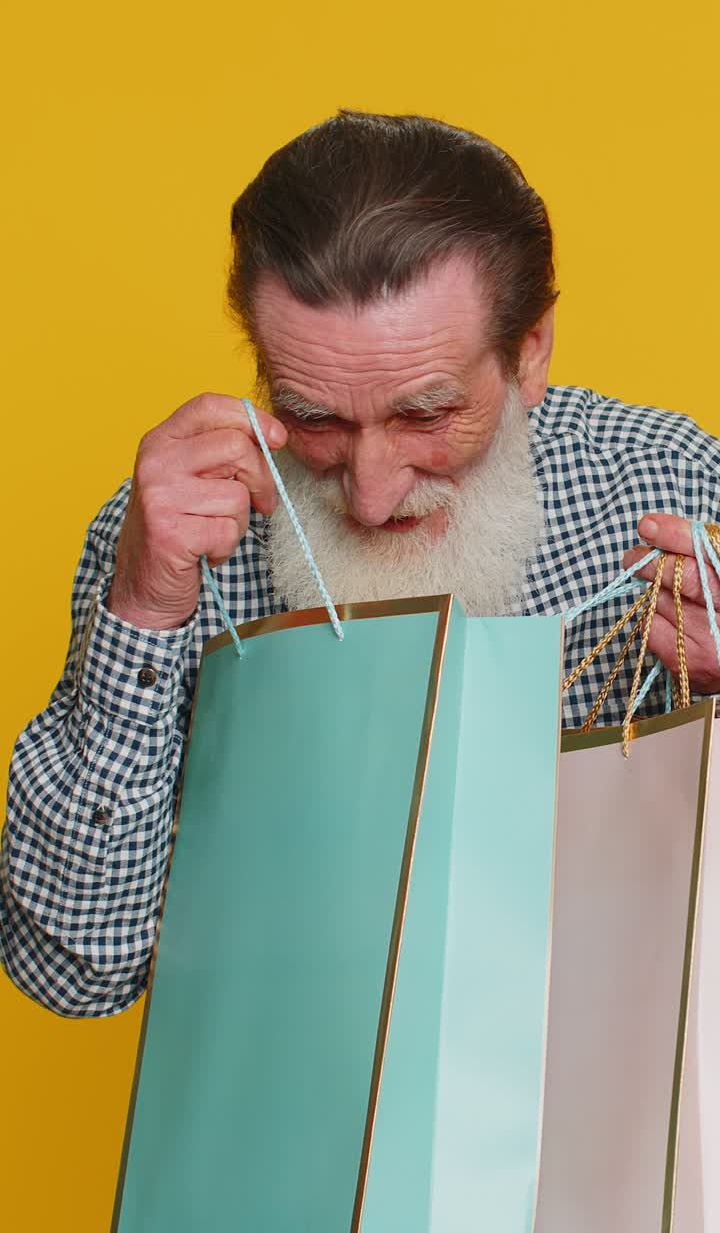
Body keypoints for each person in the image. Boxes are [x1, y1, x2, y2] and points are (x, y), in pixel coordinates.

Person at [2, 109, 720, 1018]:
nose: (371, 497)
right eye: (315, 417)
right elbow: (73, 976)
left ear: (529, 350)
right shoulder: (177, 534)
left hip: (613, 1083)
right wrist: (142, 612)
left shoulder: (671, 484)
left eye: (425, 415)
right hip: (294, 1090)